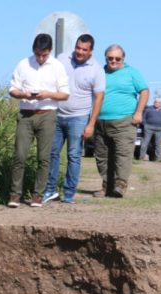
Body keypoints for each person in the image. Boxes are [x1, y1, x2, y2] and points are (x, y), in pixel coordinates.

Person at [7, 33, 70, 208]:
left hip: (47, 114)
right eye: (38, 54)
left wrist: (48, 94)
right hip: (26, 113)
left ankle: (38, 194)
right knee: (20, 155)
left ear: (49, 51)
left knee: (44, 157)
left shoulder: (57, 66)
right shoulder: (23, 64)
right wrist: (24, 94)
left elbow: (65, 94)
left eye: (44, 54)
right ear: (33, 51)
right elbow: (12, 89)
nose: (41, 58)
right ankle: (15, 194)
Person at [42, 33, 104, 205]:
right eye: (78, 47)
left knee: (74, 155)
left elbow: (99, 98)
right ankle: (50, 190)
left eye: (84, 49)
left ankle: (69, 193)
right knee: (52, 153)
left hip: (79, 118)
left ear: (91, 51)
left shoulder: (96, 69)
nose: (80, 52)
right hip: (57, 114)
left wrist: (91, 124)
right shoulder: (62, 59)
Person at [93, 44, 148, 198]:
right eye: (110, 58)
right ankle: (106, 186)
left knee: (122, 154)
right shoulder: (99, 72)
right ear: (106, 58)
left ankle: (120, 185)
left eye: (117, 58)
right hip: (100, 121)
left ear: (123, 58)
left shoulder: (132, 73)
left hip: (124, 121)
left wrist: (139, 112)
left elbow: (144, 91)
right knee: (102, 156)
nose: (114, 61)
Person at [140, 97, 161, 162]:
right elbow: (143, 117)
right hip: (149, 128)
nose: (157, 103)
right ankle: (141, 157)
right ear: (154, 102)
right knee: (145, 142)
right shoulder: (149, 109)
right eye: (155, 102)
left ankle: (158, 158)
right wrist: (145, 125)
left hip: (159, 129)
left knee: (158, 144)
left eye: (158, 102)